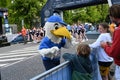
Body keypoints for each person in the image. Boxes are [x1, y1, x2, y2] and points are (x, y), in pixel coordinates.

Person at [101, 4, 120, 80]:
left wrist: (105, 46)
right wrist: (113, 44)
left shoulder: (118, 30)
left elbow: (114, 53)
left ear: (113, 16)